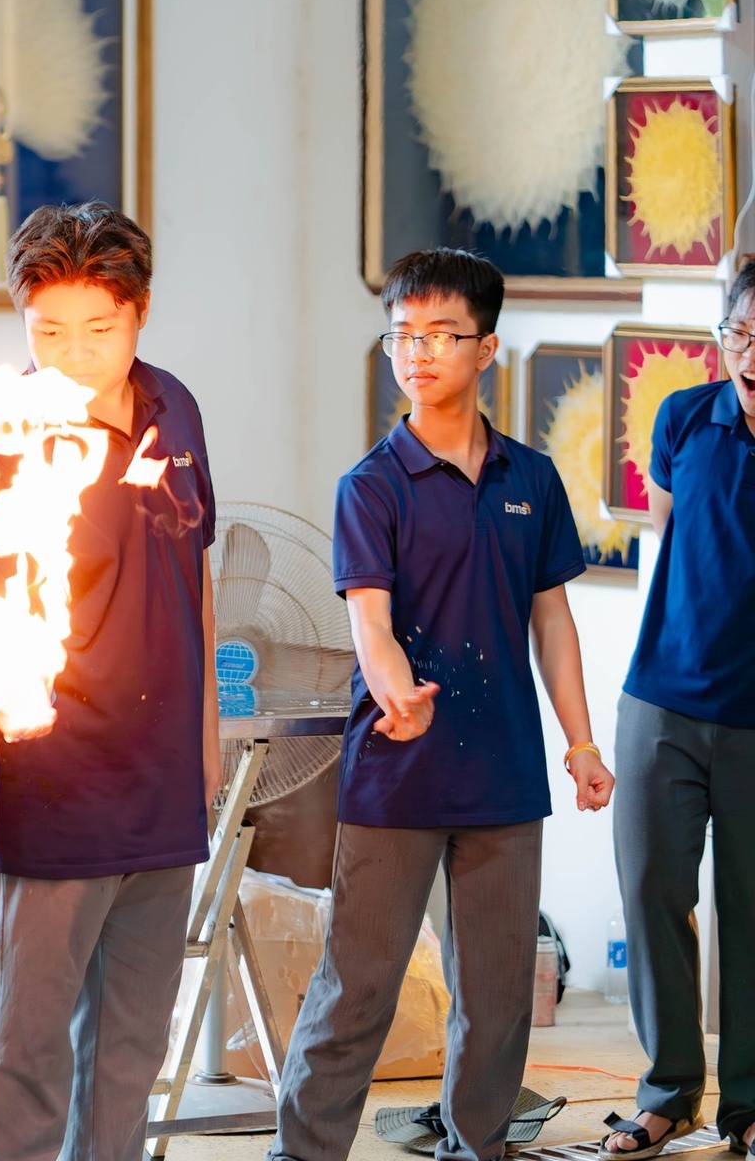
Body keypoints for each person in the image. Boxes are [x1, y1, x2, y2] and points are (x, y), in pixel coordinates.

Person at [268, 247, 615, 1161]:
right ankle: (301, 1153)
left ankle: (477, 1148)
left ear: (486, 348)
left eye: (440, 335)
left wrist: (581, 743)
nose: (417, 353)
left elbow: (553, 622)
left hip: (506, 775)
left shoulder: (531, 480)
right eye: (403, 335)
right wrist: (397, 693)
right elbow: (369, 623)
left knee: (497, 1000)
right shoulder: (371, 485)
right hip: (396, 775)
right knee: (358, 990)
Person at [0, 203, 220, 1161]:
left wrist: (204, 743)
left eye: (99, 329)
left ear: (141, 312)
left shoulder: (175, 408)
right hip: (49, 785)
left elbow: (195, 578)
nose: (73, 355)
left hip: (161, 782)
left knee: (130, 1049)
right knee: (25, 1046)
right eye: (48, 332)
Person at [601, 270, 755, 1159]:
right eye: (741, 335)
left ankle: (750, 1104)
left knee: (752, 911)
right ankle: (669, 1094)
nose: (751, 356)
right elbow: (669, 533)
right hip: (661, 698)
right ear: (722, 336)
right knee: (652, 892)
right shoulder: (684, 419)